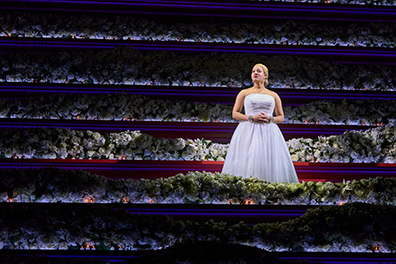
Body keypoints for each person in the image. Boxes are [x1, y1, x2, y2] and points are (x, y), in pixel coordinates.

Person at [221, 63, 299, 183]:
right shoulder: (244, 93)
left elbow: (281, 117)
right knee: (249, 157)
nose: (255, 73)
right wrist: (251, 118)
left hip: (269, 131)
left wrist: (270, 119)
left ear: (265, 75)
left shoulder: (273, 95)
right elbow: (235, 114)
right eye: (253, 71)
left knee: (267, 159)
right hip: (248, 129)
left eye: (258, 71)